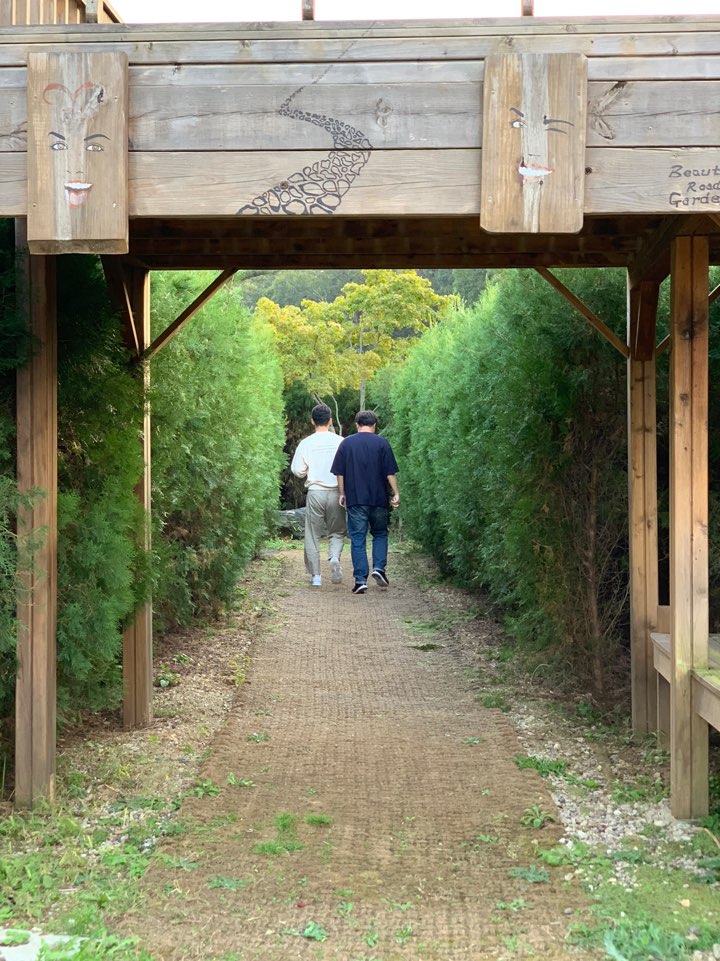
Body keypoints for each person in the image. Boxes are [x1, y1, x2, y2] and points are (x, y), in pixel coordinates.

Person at [331, 410, 400, 595]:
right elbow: (390, 473)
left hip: (356, 499)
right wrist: (396, 493)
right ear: (374, 425)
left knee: (358, 538)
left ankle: (360, 580)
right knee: (380, 533)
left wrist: (342, 493)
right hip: (379, 498)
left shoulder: (346, 443)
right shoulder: (382, 443)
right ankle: (379, 568)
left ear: (357, 425)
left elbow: (340, 473)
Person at [290, 403, 346, 588]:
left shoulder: (306, 443)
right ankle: (334, 557)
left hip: (315, 492)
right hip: (337, 492)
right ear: (330, 421)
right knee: (337, 532)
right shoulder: (340, 441)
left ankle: (316, 576)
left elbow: (297, 470)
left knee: (312, 534)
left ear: (312, 421)